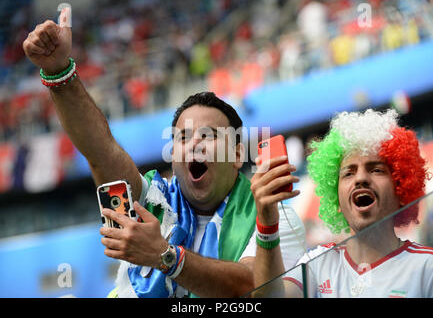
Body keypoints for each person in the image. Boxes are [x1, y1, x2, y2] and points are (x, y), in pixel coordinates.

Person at [22, 18, 305, 298]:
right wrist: (58, 72)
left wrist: (165, 256)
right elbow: (100, 152)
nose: (194, 144)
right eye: (182, 138)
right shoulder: (149, 202)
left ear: (237, 154)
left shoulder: (278, 220)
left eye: (208, 135)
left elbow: (251, 288)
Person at [251, 108, 433, 298]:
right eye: (348, 173)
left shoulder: (427, 267)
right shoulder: (316, 265)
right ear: (335, 197)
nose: (360, 178)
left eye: (376, 170)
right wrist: (267, 224)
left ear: (401, 188)